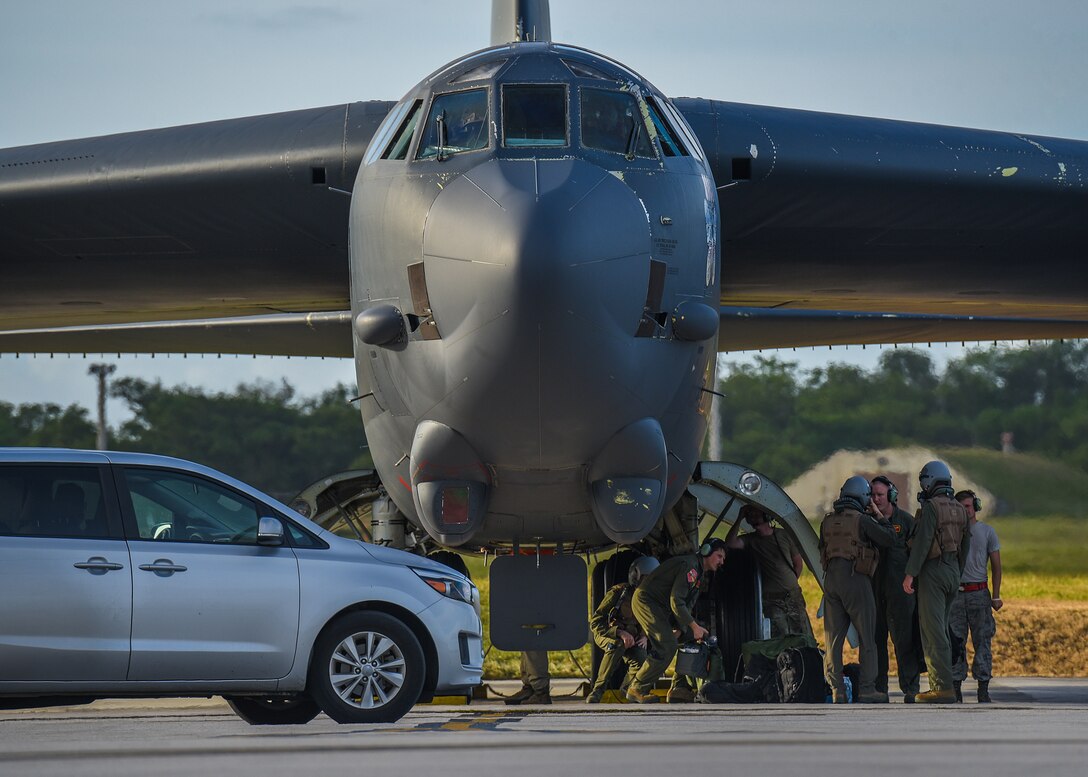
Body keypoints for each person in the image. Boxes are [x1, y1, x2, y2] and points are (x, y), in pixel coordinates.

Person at [820, 476, 896, 703]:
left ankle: (837, 690)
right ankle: (867, 689)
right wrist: (879, 515)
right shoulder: (862, 520)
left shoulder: (827, 521)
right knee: (867, 637)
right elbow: (890, 538)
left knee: (833, 639)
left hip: (831, 581)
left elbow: (821, 548)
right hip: (856, 579)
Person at [625, 539, 727, 704]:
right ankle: (637, 688)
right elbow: (676, 601)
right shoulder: (690, 567)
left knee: (690, 637)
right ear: (707, 552)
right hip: (647, 602)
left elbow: (687, 604)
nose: (722, 561)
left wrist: (683, 628)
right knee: (667, 645)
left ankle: (679, 688)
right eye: (719, 556)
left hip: (662, 607)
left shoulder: (699, 574)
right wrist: (693, 626)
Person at [902, 460, 971, 704]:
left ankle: (941, 687)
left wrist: (910, 574)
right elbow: (966, 544)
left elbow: (922, 543)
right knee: (942, 627)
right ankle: (944, 683)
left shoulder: (932, 507)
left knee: (933, 632)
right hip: (953, 571)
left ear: (929, 481)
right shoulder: (959, 508)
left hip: (933, 572)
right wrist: (956, 571)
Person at [725, 504, 813, 638]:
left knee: (804, 634)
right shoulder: (750, 540)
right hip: (771, 600)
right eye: (750, 515)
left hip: (793, 595)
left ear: (766, 515)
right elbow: (730, 543)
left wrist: (789, 584)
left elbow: (798, 563)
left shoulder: (784, 535)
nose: (753, 518)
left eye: (756, 514)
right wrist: (739, 518)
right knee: (781, 638)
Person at [870, 475, 922, 703]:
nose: (876, 499)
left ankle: (910, 688)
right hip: (874, 590)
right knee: (876, 640)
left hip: (901, 592)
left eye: (880, 495)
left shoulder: (907, 521)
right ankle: (879, 688)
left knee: (904, 640)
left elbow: (918, 555)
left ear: (890, 496)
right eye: (872, 495)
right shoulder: (866, 521)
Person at [949, 489, 1002, 703]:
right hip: (957, 595)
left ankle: (983, 687)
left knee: (983, 642)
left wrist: (996, 596)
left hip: (979, 593)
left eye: (968, 506)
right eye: (961, 507)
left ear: (976, 507)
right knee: (955, 643)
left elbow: (997, 566)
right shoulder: (950, 532)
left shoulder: (987, 532)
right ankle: (955, 688)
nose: (965, 510)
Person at [586, 555, 659, 703]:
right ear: (636, 576)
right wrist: (619, 632)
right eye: (647, 578)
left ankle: (628, 689)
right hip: (607, 633)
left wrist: (644, 636)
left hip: (632, 638)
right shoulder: (619, 592)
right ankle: (597, 691)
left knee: (642, 657)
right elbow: (596, 622)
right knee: (616, 645)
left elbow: (649, 621)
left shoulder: (649, 599)